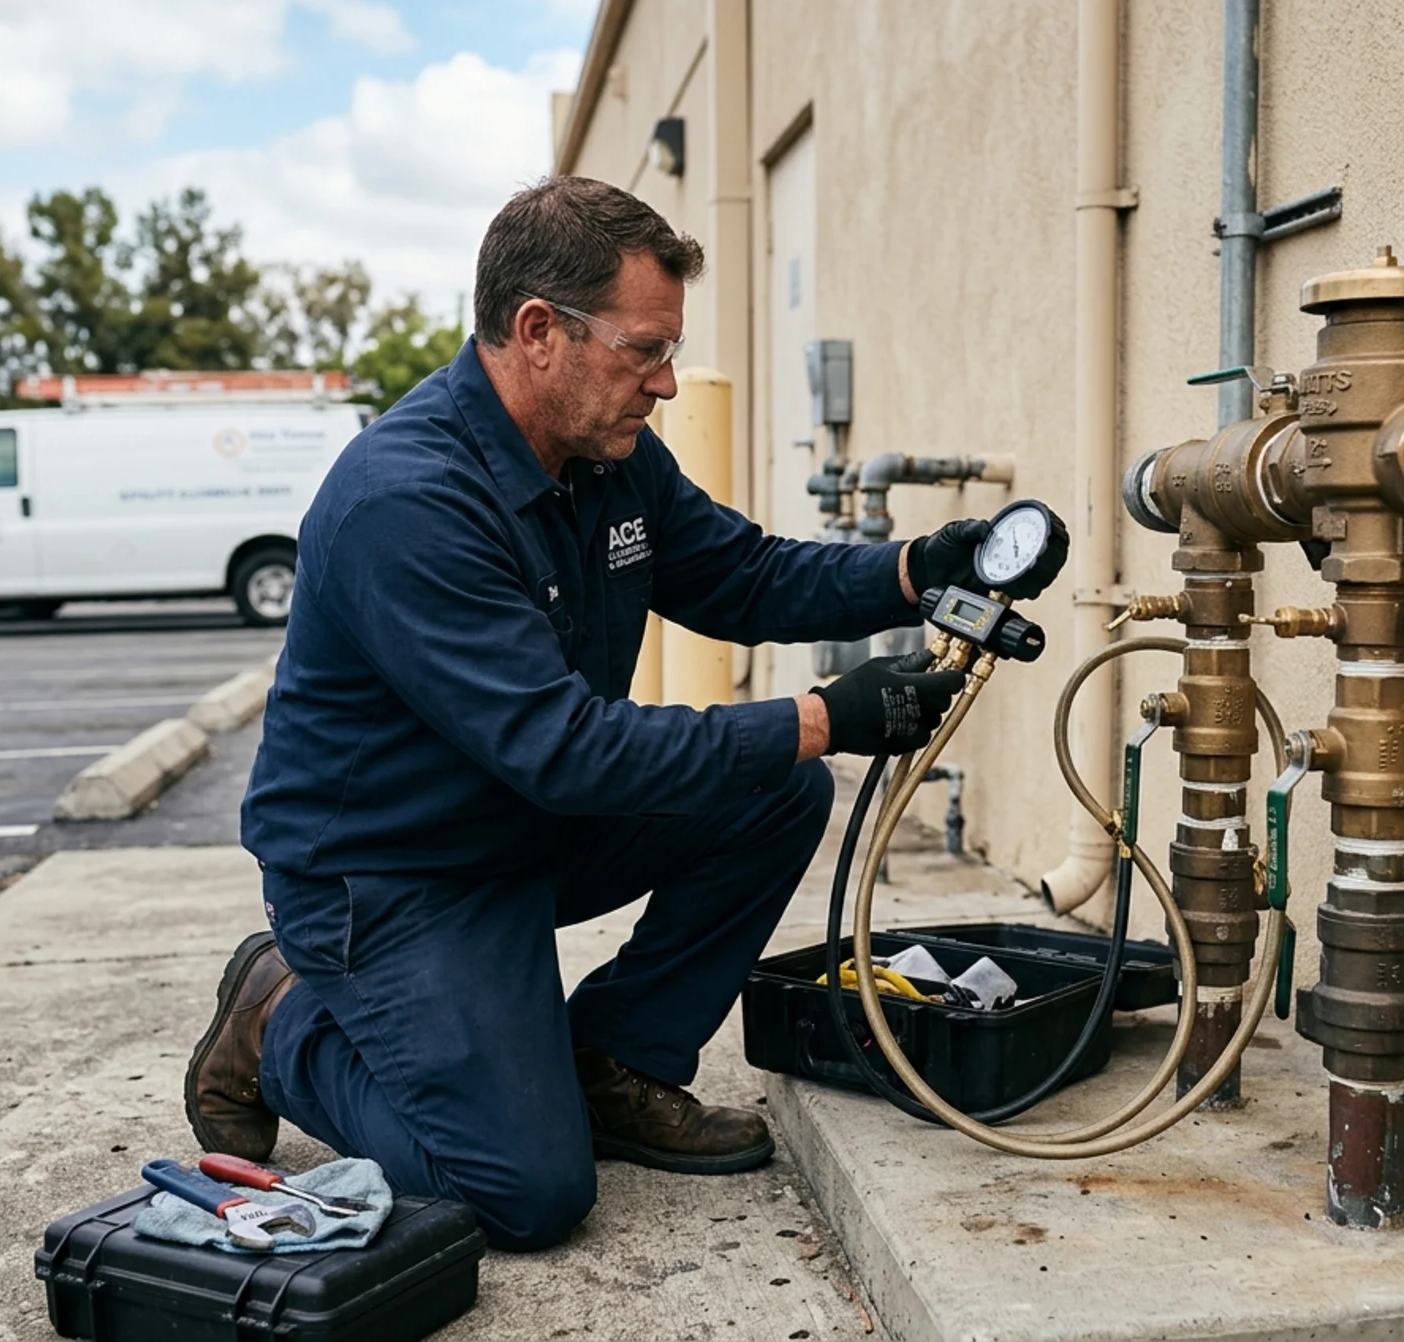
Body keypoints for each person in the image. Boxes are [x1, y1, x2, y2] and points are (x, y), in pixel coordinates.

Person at [182, 177, 1065, 1251]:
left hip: (524, 827)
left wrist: (915, 569)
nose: (666, 381)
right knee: (521, 1191)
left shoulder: (609, 459)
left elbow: (741, 576)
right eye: (643, 350)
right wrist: (824, 715)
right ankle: (281, 1016)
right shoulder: (405, 501)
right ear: (538, 331)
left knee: (772, 790)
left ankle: (613, 1059)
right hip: (394, 878)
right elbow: (561, 749)